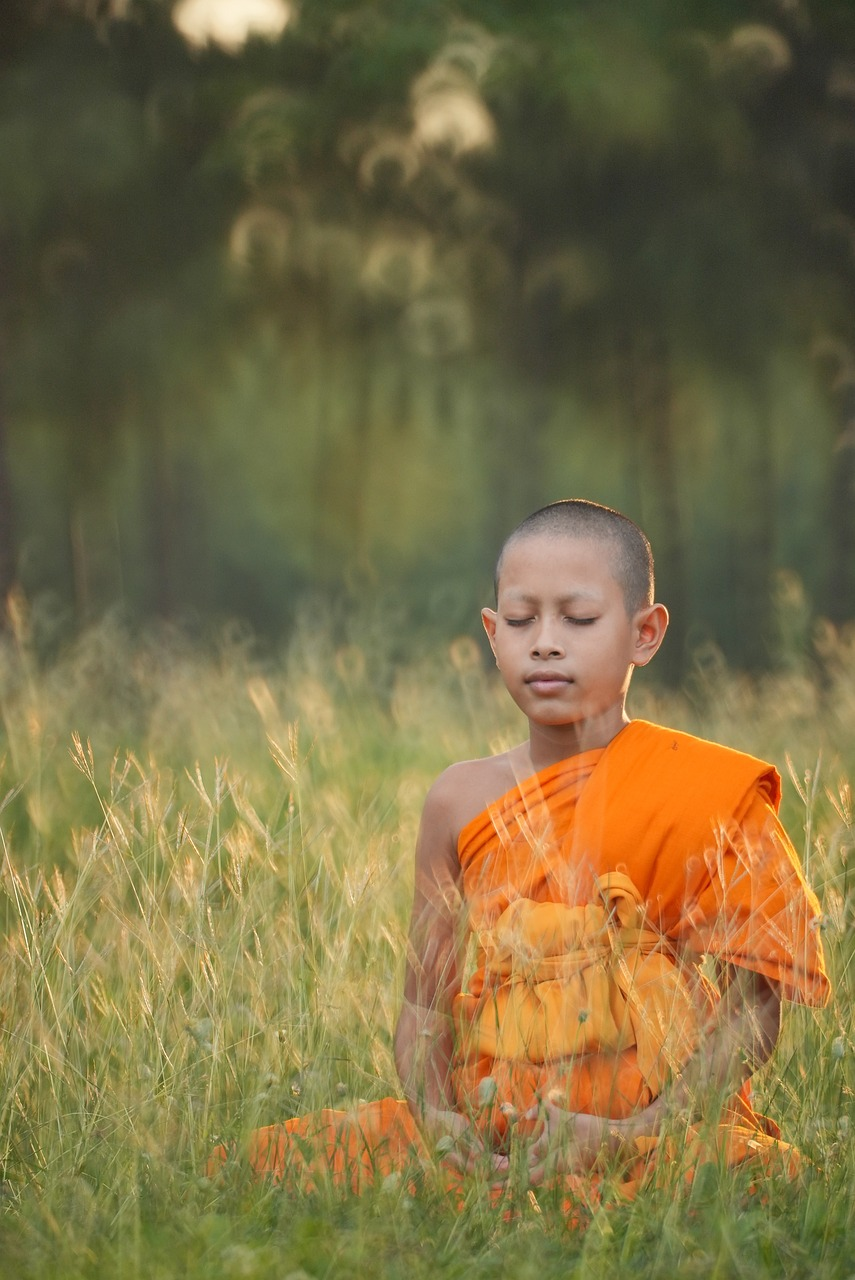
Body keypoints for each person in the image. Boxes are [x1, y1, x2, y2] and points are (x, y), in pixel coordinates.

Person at [210, 499, 830, 1205]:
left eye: (578, 618)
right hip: (494, 1127)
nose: (543, 642)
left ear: (644, 633)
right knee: (274, 1163)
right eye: (519, 619)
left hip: (662, 1131)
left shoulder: (706, 791)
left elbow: (756, 1005)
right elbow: (425, 1008)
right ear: (491, 633)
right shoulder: (458, 799)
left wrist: (642, 1130)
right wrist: (442, 1120)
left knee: (738, 1180)